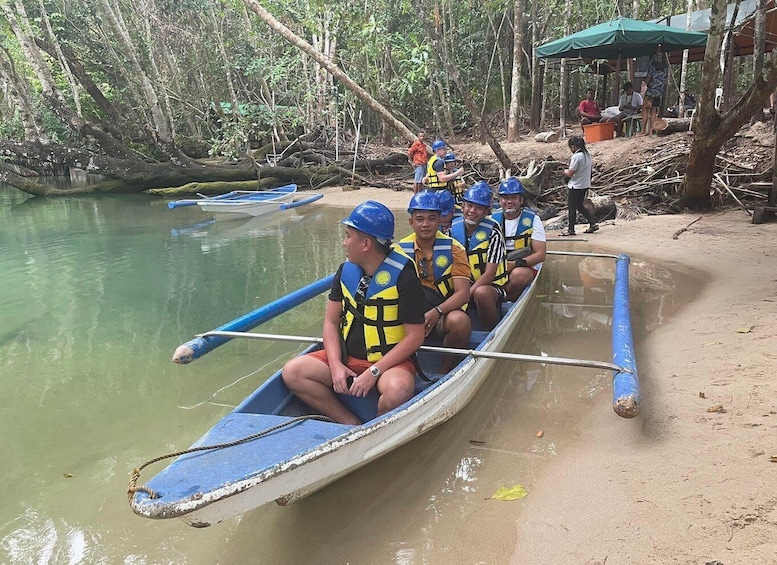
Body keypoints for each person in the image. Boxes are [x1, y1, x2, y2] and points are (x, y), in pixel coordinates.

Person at [281, 201, 426, 425]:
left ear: (366, 243)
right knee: (293, 372)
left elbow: (416, 336)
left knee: (398, 390)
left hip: (388, 364)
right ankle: (349, 423)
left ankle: (378, 428)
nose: (344, 242)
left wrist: (374, 372)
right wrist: (336, 365)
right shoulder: (345, 271)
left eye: (348, 236)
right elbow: (330, 322)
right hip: (347, 357)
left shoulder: (405, 278)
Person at [396, 192, 472, 371]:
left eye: (431, 218)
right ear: (411, 222)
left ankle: (445, 370)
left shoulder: (455, 249)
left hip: (440, 314)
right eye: (419, 219)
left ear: (439, 221)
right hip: (408, 315)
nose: (425, 224)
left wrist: (437, 312)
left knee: (460, 322)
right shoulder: (397, 250)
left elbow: (463, 293)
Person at [450, 181, 508, 330]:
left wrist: (465, 295)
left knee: (481, 293)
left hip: (489, 287)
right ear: (462, 206)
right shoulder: (451, 230)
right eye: (469, 206)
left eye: (478, 208)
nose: (472, 211)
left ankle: (490, 332)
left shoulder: (494, 231)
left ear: (486, 211)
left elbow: (489, 274)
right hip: (461, 285)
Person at [491, 177, 546, 301]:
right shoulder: (492, 219)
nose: (509, 201)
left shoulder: (533, 220)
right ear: (500, 200)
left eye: (514, 198)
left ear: (521, 200)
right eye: (505, 198)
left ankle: (506, 298)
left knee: (519, 275)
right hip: (498, 262)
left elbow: (540, 255)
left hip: (522, 263)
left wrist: (515, 264)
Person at [560, 137, 598, 236]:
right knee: (580, 206)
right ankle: (592, 223)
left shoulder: (576, 157)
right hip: (584, 184)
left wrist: (564, 171)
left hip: (575, 185)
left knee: (572, 207)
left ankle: (571, 229)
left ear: (573, 146)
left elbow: (571, 172)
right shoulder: (587, 155)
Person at [641, 49, 668, 136]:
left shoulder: (652, 67)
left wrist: (645, 81)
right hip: (659, 93)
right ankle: (652, 131)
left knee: (645, 111)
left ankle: (643, 131)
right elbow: (666, 81)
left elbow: (648, 80)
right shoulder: (665, 69)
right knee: (653, 112)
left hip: (650, 93)